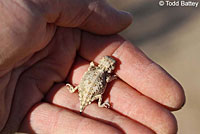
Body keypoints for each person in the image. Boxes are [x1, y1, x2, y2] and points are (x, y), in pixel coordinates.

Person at [0, 0, 185, 133]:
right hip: (87, 93)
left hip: (83, 91)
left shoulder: (96, 69)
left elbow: (94, 74)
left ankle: (83, 99)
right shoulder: (104, 74)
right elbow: (103, 79)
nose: (113, 65)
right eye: (111, 63)